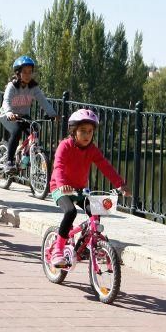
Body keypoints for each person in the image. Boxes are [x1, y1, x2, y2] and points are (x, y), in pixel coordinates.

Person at [48, 109, 130, 268]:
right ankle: (58, 250)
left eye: (90, 131)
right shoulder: (64, 146)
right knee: (70, 212)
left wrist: (120, 184)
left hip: (80, 189)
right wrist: (62, 184)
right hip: (60, 188)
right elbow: (58, 167)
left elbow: (105, 166)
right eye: (83, 131)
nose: (87, 135)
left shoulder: (92, 149)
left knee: (97, 210)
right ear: (73, 131)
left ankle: (88, 245)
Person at [0, 55, 58, 171]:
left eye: (30, 72)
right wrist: (9, 112)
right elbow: (6, 101)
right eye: (24, 72)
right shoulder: (12, 86)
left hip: (24, 116)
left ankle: (26, 155)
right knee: (16, 132)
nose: (27, 75)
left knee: (35, 130)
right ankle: (9, 161)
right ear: (18, 73)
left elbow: (43, 101)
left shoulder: (33, 87)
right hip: (8, 116)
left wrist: (53, 114)